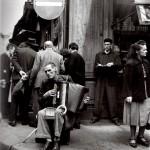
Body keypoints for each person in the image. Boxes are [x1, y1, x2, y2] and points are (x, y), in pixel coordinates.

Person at [29, 41, 65, 127]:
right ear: (52, 47)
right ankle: (52, 123)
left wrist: (31, 80)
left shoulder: (39, 54)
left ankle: (37, 122)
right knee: (54, 101)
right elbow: (63, 69)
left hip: (40, 80)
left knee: (38, 102)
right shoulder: (59, 56)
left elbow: (35, 69)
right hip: (54, 81)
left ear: (45, 46)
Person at [35, 63, 70, 150]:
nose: (47, 73)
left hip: (62, 108)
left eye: (49, 70)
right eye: (46, 71)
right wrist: (45, 95)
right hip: (50, 108)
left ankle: (57, 140)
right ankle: (48, 139)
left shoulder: (66, 79)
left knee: (58, 112)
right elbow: (39, 100)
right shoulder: (44, 82)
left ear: (55, 70)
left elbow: (75, 90)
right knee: (40, 113)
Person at [122, 40, 150, 148]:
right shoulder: (130, 63)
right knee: (134, 117)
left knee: (144, 116)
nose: (146, 51)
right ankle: (133, 137)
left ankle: (141, 136)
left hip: (146, 94)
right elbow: (126, 81)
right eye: (144, 49)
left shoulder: (146, 62)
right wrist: (128, 94)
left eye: (146, 49)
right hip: (134, 94)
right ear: (138, 51)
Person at [91, 38, 121, 126]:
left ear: (111, 45)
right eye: (105, 44)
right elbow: (95, 68)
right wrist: (99, 66)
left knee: (112, 99)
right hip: (100, 79)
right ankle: (95, 116)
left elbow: (119, 67)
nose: (107, 46)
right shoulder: (98, 55)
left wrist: (113, 65)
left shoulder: (115, 55)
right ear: (103, 45)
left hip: (111, 79)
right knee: (98, 98)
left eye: (108, 44)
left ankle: (114, 118)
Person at [9, 40, 36, 126]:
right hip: (28, 80)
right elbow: (35, 68)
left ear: (22, 45)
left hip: (17, 78)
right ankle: (24, 119)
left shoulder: (17, 50)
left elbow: (13, 61)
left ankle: (12, 120)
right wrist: (27, 74)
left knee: (14, 98)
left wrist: (20, 71)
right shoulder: (35, 53)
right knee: (25, 99)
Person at [0, 43, 16, 118]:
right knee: (3, 96)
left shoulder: (8, 56)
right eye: (13, 50)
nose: (13, 51)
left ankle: (4, 112)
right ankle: (3, 113)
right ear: (10, 49)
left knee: (5, 96)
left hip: (6, 80)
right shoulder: (3, 56)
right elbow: (2, 69)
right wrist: (2, 80)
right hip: (4, 80)